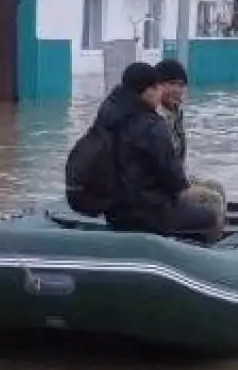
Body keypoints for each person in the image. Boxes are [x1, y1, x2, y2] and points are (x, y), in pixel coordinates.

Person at [86, 62, 220, 241]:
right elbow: (172, 177)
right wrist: (183, 189)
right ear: (147, 90)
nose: (161, 92)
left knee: (210, 192)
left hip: (119, 206)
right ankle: (205, 257)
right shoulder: (151, 125)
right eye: (159, 87)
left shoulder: (112, 115)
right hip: (147, 209)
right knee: (211, 207)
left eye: (181, 85)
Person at [153, 58, 227, 226]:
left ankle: (218, 233)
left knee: (216, 187)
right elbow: (160, 165)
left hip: (176, 178)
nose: (178, 90)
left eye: (181, 85)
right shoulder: (155, 118)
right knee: (212, 200)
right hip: (161, 188)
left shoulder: (175, 113)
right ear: (158, 85)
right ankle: (210, 244)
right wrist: (181, 186)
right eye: (172, 84)